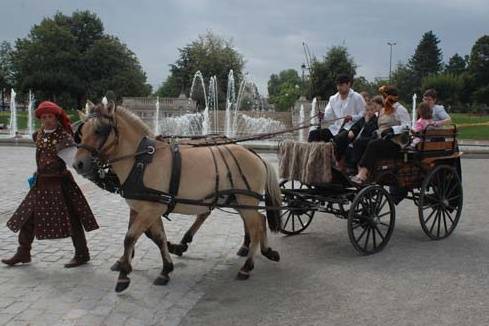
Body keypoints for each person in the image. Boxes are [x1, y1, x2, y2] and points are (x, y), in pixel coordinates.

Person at [2, 101, 99, 267]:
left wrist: (92, 171)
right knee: (27, 217)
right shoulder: (39, 134)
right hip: (41, 183)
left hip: (60, 184)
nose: (47, 120)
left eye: (50, 116)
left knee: (72, 218)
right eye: (44, 117)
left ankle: (82, 253)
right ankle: (23, 252)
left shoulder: (63, 137)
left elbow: (73, 162)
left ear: (56, 117)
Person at [351, 85, 411, 184]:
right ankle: (357, 170)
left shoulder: (400, 109)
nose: (382, 99)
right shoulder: (383, 110)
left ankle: (362, 174)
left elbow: (408, 126)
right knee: (360, 142)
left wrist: (392, 129)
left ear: (389, 97)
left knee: (373, 145)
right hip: (383, 139)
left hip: (395, 142)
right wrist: (376, 132)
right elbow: (381, 126)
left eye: (384, 96)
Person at [308, 74, 366, 142]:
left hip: (351, 130)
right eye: (337, 85)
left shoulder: (357, 97)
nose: (338, 88)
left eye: (341, 85)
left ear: (348, 84)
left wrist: (352, 117)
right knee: (313, 134)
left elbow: (364, 115)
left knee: (338, 139)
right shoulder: (333, 99)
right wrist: (323, 116)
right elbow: (329, 116)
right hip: (335, 129)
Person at [333, 97, 380, 171]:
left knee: (356, 143)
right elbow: (356, 126)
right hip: (356, 138)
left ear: (375, 111)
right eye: (367, 110)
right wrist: (351, 131)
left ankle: (352, 166)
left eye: (371, 110)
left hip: (366, 139)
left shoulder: (375, 121)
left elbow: (371, 132)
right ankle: (338, 160)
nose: (369, 112)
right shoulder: (362, 119)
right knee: (342, 138)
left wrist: (367, 123)